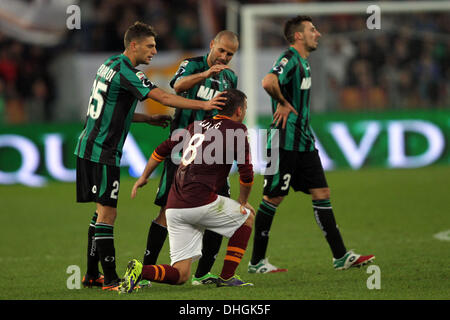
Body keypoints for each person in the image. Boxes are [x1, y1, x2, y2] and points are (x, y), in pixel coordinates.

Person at [75, 21, 226, 291]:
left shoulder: (108, 65)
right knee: (108, 214)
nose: (154, 51)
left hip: (88, 146)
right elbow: (166, 98)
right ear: (133, 45)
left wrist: (146, 119)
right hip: (103, 150)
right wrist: (204, 104)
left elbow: (111, 109)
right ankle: (110, 279)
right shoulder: (129, 72)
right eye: (150, 46)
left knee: (99, 213)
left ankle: (91, 275)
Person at [248, 16, 375, 273]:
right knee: (273, 197)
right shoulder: (290, 58)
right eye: (312, 30)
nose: (318, 34)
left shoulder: (304, 63)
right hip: (283, 140)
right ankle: (256, 262)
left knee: (322, 194)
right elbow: (268, 81)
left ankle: (340, 256)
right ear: (298, 36)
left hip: (304, 141)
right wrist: (283, 103)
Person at [119, 89, 255, 293]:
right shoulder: (237, 129)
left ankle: (140, 271)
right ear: (238, 110)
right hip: (199, 202)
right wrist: (243, 200)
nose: (244, 111)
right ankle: (227, 277)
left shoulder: (195, 127)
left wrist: (144, 177)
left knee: (181, 274)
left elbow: (162, 149)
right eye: (245, 107)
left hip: (174, 207)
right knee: (248, 217)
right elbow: (246, 172)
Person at [142, 30, 239, 286]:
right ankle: (145, 272)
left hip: (213, 154)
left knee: (221, 208)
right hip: (182, 150)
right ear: (212, 45)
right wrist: (205, 75)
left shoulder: (230, 77)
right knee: (166, 209)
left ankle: (203, 274)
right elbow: (177, 86)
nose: (225, 57)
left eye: (230, 54)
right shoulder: (192, 65)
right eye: (222, 51)